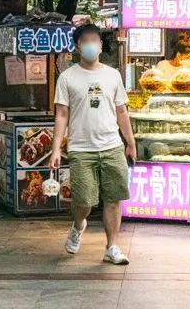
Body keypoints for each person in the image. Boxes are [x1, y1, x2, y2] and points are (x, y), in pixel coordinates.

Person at [48, 22, 135, 265]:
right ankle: (78, 225)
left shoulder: (112, 75)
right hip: (80, 148)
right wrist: (56, 148)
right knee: (84, 201)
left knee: (114, 198)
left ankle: (112, 247)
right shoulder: (67, 77)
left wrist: (130, 140)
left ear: (100, 45)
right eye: (85, 41)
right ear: (77, 45)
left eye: (94, 40)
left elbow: (122, 111)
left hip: (111, 145)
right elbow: (62, 115)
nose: (90, 45)